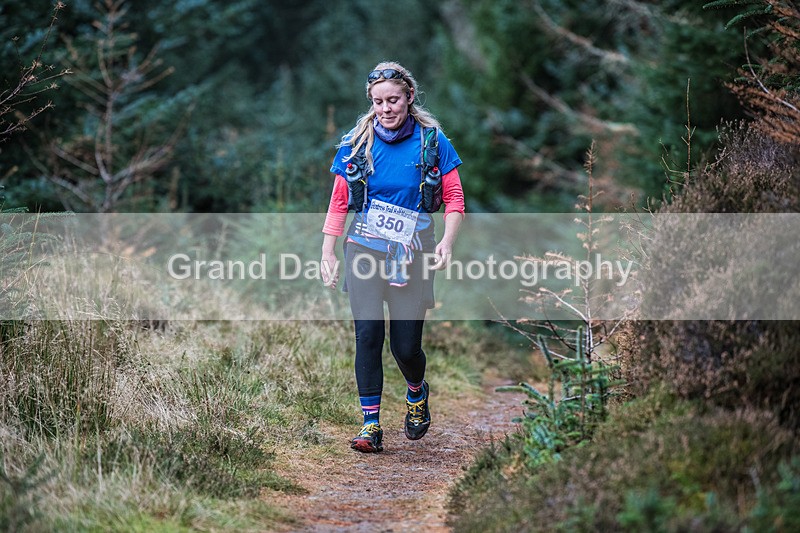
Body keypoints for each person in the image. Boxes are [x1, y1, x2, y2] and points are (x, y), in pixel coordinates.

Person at [320, 61, 465, 453]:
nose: (386, 108)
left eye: (393, 100)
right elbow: (339, 200)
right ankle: (370, 425)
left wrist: (447, 242)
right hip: (364, 247)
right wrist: (328, 251)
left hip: (413, 251)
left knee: (405, 347)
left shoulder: (432, 141)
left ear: (409, 96)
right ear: (371, 102)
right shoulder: (356, 142)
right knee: (368, 333)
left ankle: (416, 392)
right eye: (378, 101)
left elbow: (454, 197)